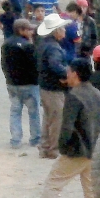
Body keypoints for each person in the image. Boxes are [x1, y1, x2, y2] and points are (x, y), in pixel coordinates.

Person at [24, 58, 100, 198]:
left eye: (69, 71)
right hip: (95, 149)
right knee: (91, 189)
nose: (66, 74)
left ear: (75, 74)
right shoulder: (97, 94)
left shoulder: (74, 96)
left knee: (53, 182)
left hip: (77, 150)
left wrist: (62, 147)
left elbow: (67, 127)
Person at [1, 18, 41, 149]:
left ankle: (16, 139)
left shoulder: (6, 44)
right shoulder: (28, 46)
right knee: (33, 112)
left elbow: (3, 64)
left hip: (12, 84)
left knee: (15, 111)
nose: (31, 32)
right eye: (29, 29)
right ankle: (35, 138)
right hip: (29, 84)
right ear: (21, 30)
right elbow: (34, 65)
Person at [36, 13, 70, 159]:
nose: (64, 31)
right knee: (57, 119)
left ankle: (44, 146)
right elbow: (55, 66)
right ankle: (53, 149)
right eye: (62, 29)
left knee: (48, 118)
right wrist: (65, 76)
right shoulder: (54, 48)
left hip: (45, 86)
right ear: (56, 31)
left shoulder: (43, 44)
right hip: (54, 88)